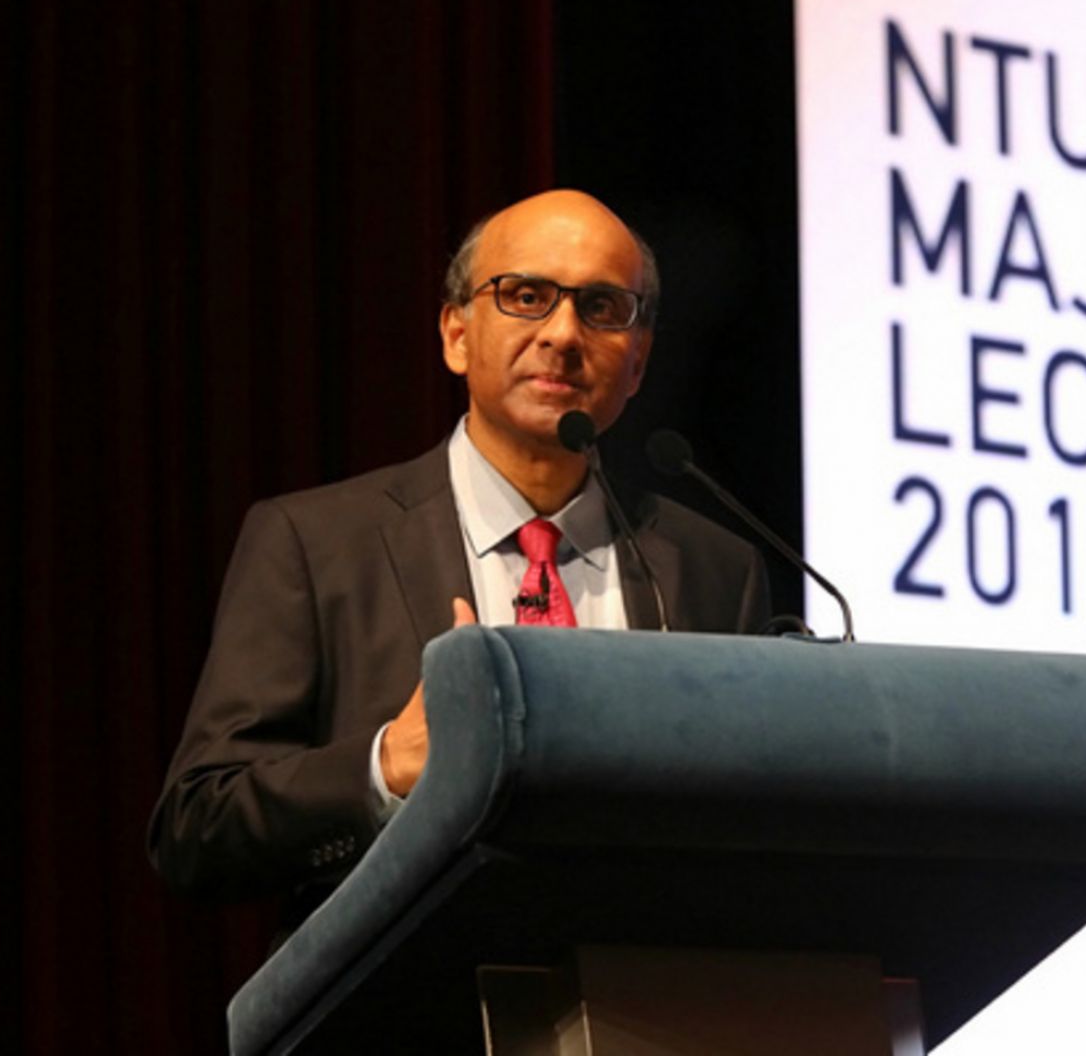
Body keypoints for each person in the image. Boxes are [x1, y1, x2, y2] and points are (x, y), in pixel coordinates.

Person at [147, 190, 770, 918]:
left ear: (637, 363)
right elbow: (195, 828)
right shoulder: (317, 544)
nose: (563, 333)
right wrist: (383, 767)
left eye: (602, 307)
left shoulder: (714, 568)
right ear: (456, 334)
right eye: (527, 296)